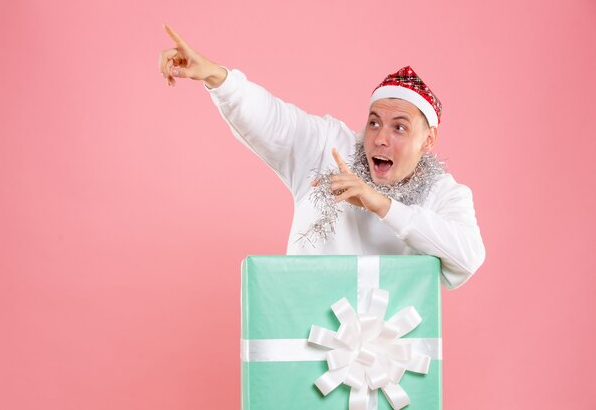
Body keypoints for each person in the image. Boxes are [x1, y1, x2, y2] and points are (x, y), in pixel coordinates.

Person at [158, 25, 485, 289]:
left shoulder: (446, 193)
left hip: (391, 360)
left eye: (400, 128)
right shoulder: (329, 147)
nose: (381, 138)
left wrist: (381, 205)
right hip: (302, 344)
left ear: (428, 140)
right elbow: (275, 120)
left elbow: (468, 256)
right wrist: (216, 76)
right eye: (374, 122)